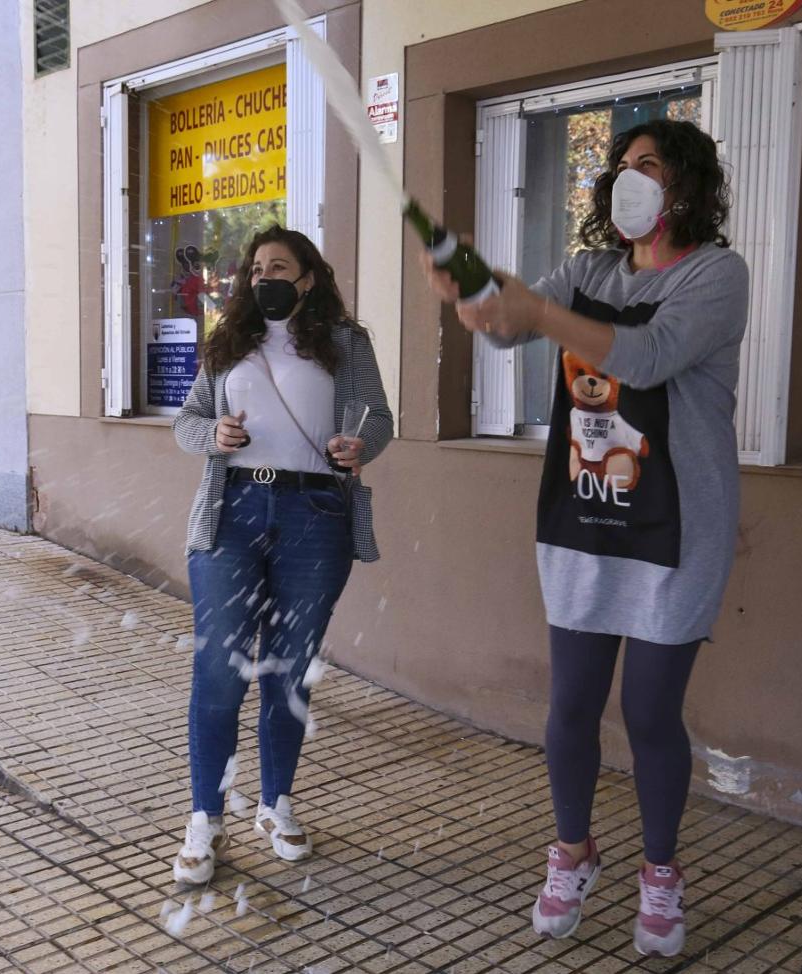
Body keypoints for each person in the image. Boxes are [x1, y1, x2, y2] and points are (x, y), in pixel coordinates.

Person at [421, 119, 748, 959]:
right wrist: (474, 294)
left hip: (677, 531)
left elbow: (647, 356)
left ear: (686, 188)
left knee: (648, 712)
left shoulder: (718, 274)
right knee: (569, 706)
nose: (627, 179)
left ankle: (661, 871)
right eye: (620, 166)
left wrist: (535, 310)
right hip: (584, 516)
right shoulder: (589, 270)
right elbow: (504, 328)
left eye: (648, 166)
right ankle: (573, 849)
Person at [171, 224, 393, 884]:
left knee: (288, 672)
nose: (264, 276)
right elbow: (187, 422)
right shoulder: (227, 342)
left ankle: (275, 804)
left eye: (279, 266)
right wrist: (214, 433)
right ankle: (205, 817)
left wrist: (362, 446)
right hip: (232, 514)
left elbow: (377, 417)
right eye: (256, 268)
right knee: (219, 672)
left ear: (309, 277)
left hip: (315, 515)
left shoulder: (346, 344)